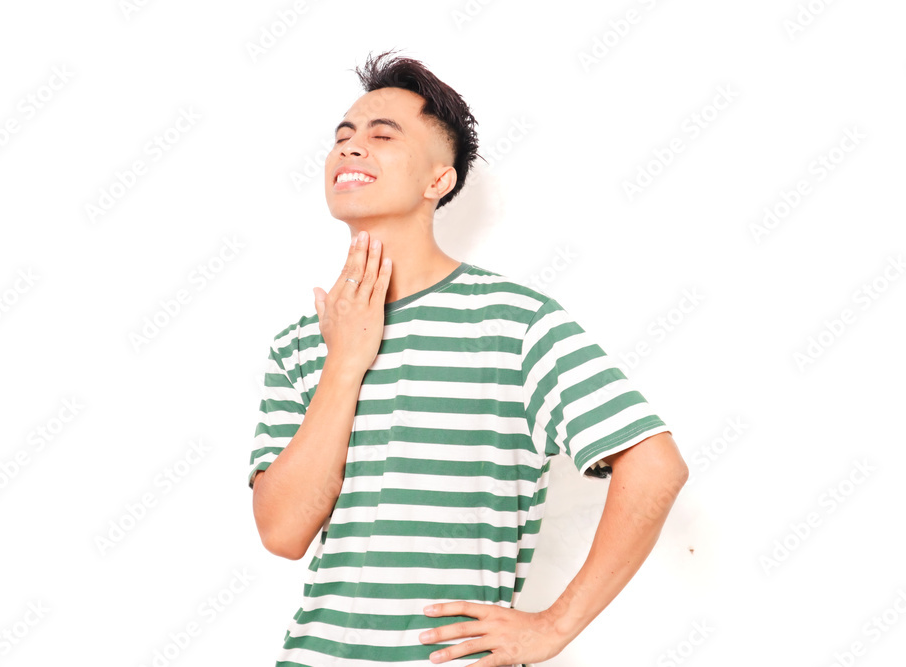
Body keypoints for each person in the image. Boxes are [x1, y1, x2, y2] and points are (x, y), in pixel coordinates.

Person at [248, 48, 689, 667]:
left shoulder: (517, 322)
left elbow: (656, 465)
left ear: (440, 180)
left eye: (382, 135)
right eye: (342, 137)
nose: (350, 149)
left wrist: (554, 626)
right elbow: (282, 532)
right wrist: (345, 361)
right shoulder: (300, 341)